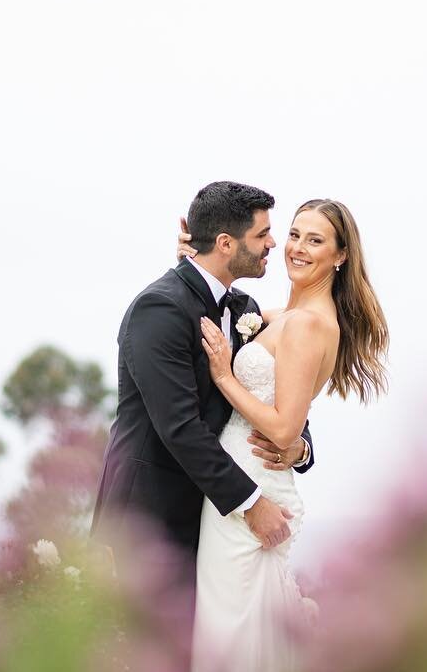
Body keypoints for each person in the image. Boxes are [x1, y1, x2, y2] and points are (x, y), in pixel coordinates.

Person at [90, 182, 315, 627]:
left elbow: (269, 390)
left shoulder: (245, 308)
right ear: (226, 243)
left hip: (214, 519)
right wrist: (252, 504)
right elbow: (179, 427)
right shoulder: (158, 309)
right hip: (152, 520)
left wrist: (299, 446)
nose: (273, 244)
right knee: (155, 648)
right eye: (263, 234)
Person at [186, 196, 390, 672]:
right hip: (243, 479)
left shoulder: (309, 325)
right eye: (295, 235)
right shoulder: (286, 317)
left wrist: (225, 378)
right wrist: (194, 257)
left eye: (315, 240)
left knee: (232, 631)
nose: (297, 248)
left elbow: (283, 428)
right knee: (234, 623)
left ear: (340, 255)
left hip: (249, 489)